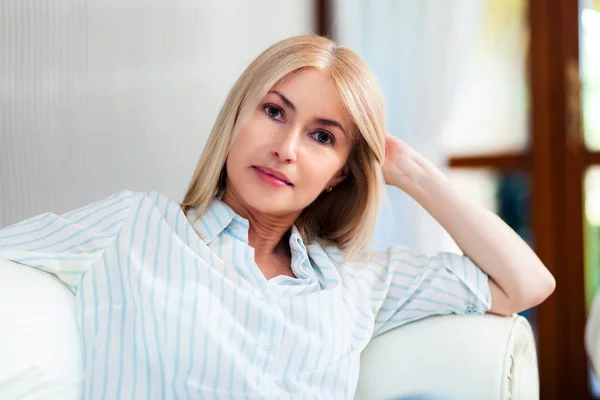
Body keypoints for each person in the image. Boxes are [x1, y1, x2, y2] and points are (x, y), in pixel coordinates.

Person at [0, 35, 555, 399]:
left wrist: (412, 172)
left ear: (342, 171)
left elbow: (526, 282)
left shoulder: (356, 281)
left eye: (322, 136)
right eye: (273, 111)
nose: (286, 148)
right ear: (238, 117)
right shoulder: (132, 228)